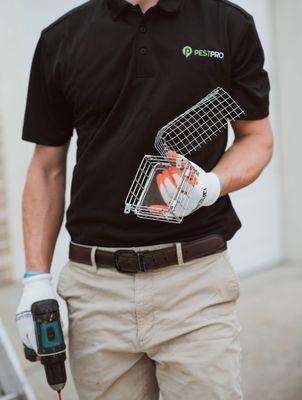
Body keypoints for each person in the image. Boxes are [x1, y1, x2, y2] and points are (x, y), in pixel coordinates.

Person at [16, 0, 273, 399]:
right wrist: (36, 280)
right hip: (96, 290)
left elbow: (256, 137)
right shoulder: (62, 38)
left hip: (195, 281)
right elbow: (46, 166)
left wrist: (210, 185)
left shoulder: (227, 24)